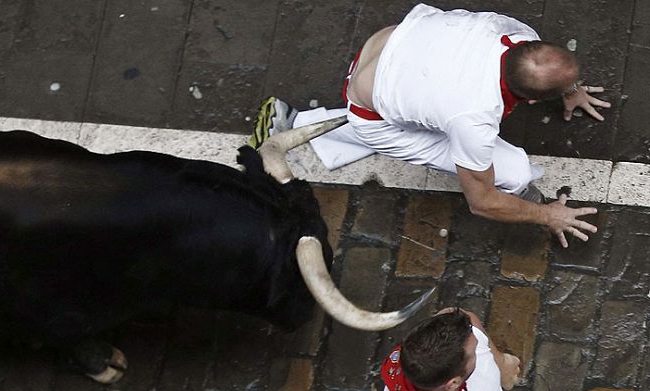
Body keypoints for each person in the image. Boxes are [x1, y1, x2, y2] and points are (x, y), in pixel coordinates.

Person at [249, 3, 611, 248]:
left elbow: (550, 65)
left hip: (388, 46)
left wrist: (568, 89)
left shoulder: (514, 35)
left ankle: (294, 121)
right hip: (373, 108)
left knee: (432, 115)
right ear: (531, 100)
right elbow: (482, 202)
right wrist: (546, 214)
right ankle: (295, 124)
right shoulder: (473, 118)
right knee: (514, 174)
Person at [380, 308, 520, 391]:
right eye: (473, 354)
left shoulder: (405, 361)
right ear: (453, 384)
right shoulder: (483, 389)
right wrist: (501, 366)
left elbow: (464, 317)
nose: (478, 339)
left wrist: (502, 363)